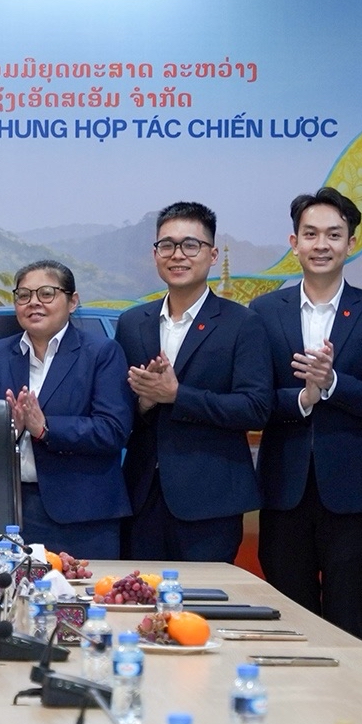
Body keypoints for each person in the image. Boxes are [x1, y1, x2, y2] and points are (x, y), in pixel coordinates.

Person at [253, 189, 362, 640]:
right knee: (288, 618)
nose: (321, 245)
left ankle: (349, 706)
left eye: (334, 235)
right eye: (310, 234)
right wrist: (303, 398)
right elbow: (253, 400)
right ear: (293, 243)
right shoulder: (262, 312)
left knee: (348, 617)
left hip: (351, 490)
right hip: (283, 488)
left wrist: (332, 384)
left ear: (351, 243)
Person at [113, 202, 273, 563]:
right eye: (166, 245)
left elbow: (256, 408)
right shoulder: (132, 323)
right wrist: (144, 403)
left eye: (190, 245)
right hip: (141, 498)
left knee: (200, 613)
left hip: (210, 501)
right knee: (140, 608)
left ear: (212, 254)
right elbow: (118, 413)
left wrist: (177, 395)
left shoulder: (242, 323)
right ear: (155, 254)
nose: (177, 255)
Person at [0, 261, 133, 558]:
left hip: (82, 517)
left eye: (46, 293)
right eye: (24, 295)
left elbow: (113, 430)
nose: (33, 303)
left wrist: (45, 428)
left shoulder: (101, 353)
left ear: (73, 301)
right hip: (10, 512)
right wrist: (8, 427)